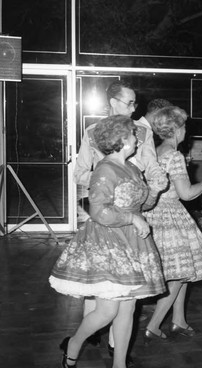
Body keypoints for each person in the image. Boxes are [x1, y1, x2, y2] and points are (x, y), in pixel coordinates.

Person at [49, 115, 167, 368]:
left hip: (132, 243)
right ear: (123, 140)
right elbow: (99, 211)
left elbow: (142, 203)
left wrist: (155, 189)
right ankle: (74, 344)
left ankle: (120, 364)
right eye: (133, 135)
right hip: (108, 243)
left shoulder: (133, 168)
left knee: (128, 309)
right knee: (108, 311)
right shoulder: (104, 169)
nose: (137, 139)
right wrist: (133, 219)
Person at [73, 80, 168, 356]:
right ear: (112, 102)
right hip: (103, 214)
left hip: (133, 214)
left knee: (128, 294)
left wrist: (154, 180)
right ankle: (86, 336)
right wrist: (111, 177)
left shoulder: (142, 133)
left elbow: (151, 167)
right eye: (129, 102)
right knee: (99, 284)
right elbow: (79, 174)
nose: (134, 108)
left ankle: (118, 352)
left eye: (135, 103)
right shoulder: (92, 132)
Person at [143, 105, 202, 342]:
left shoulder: (155, 151)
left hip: (154, 215)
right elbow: (187, 194)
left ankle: (179, 321)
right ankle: (154, 325)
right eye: (184, 125)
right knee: (178, 275)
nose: (186, 130)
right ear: (177, 129)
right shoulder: (175, 155)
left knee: (182, 271)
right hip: (171, 217)